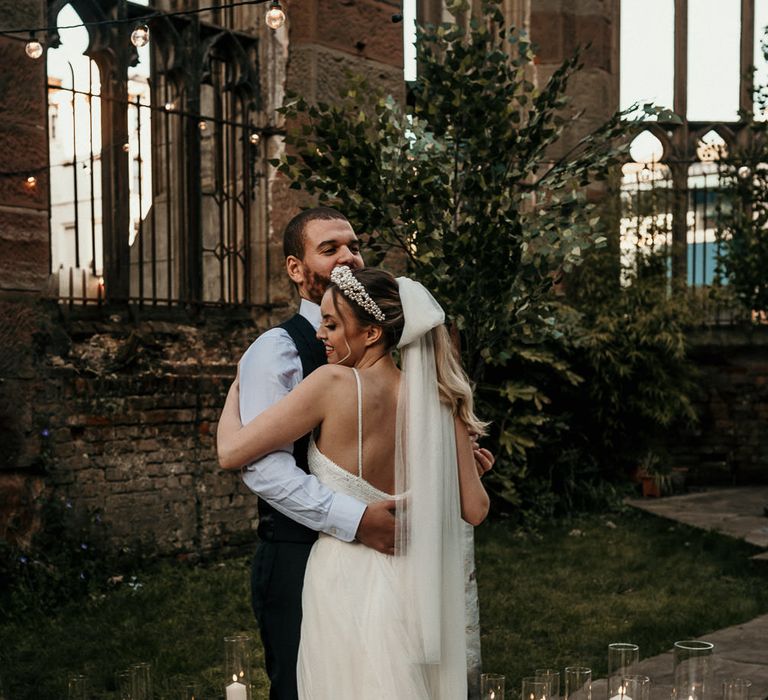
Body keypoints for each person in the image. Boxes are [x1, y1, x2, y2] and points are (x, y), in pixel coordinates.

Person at [218, 266, 490, 698]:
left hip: (341, 578)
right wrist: (463, 467)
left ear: (371, 334)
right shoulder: (439, 400)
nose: (321, 334)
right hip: (412, 579)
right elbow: (474, 510)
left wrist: (235, 393)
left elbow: (231, 452)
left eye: (331, 323)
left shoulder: (331, 384)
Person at [232, 208, 399, 700]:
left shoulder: (380, 341)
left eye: (353, 245)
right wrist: (355, 519)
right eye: (329, 249)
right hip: (298, 553)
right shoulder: (278, 349)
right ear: (295, 268)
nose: (348, 255)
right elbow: (262, 467)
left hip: (380, 557)